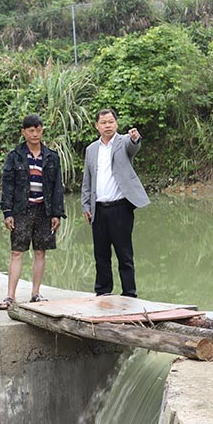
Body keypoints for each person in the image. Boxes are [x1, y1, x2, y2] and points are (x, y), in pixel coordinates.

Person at [0, 114, 66, 309]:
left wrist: (56, 213)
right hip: (21, 210)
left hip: (43, 210)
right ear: (23, 132)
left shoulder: (51, 156)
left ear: (42, 130)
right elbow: (8, 185)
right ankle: (10, 296)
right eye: (30, 130)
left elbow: (57, 187)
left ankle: (35, 294)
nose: (35, 133)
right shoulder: (15, 156)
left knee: (40, 252)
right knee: (17, 252)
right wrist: (7, 212)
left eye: (38, 129)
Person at [80, 108, 150, 298]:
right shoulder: (91, 149)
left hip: (121, 208)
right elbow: (87, 180)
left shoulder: (124, 142)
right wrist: (86, 206)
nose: (108, 125)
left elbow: (134, 146)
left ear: (116, 124)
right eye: (104, 123)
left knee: (124, 254)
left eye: (111, 122)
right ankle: (103, 292)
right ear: (97, 126)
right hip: (98, 209)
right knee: (101, 255)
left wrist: (135, 138)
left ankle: (129, 294)